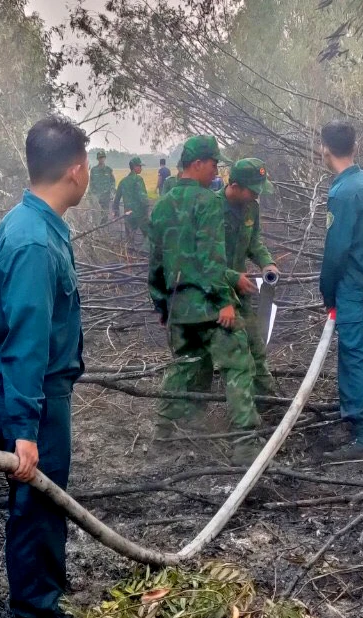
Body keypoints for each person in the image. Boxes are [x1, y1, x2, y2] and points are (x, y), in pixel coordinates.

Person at [0, 115, 88, 618]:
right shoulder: (35, 244)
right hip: (34, 394)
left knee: (45, 494)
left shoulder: (33, 225)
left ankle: (46, 584)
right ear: (74, 170)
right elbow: (25, 341)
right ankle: (35, 610)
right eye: (87, 164)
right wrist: (24, 428)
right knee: (36, 497)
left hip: (40, 392)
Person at [149, 135, 261, 465]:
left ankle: (165, 432)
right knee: (239, 366)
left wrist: (161, 305)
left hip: (179, 308)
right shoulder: (208, 202)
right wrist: (225, 300)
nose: (216, 170)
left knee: (184, 367)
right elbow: (211, 258)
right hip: (210, 306)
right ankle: (245, 446)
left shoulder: (162, 206)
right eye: (214, 164)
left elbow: (155, 262)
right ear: (197, 164)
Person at [318, 121, 363, 461]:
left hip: (354, 286)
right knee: (356, 352)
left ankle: (362, 434)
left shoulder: (342, 193)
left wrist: (327, 291)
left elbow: (336, 251)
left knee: (355, 355)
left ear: (325, 149)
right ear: (355, 148)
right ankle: (352, 413)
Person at [220, 158, 280, 400]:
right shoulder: (210, 209)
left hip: (239, 290)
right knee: (234, 352)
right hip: (214, 291)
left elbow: (254, 241)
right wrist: (231, 279)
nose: (256, 196)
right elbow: (202, 260)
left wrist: (267, 262)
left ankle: (267, 398)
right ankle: (240, 412)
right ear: (235, 186)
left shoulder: (251, 208)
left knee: (255, 342)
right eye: (253, 191)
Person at [112, 156, 150, 241]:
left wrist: (116, 211)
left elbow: (116, 199)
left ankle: (128, 253)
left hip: (128, 214)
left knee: (129, 240)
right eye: (140, 166)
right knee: (148, 236)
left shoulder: (123, 181)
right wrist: (147, 208)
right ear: (135, 167)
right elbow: (143, 197)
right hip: (140, 214)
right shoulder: (138, 179)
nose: (141, 168)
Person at [88, 150, 115, 222]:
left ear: (105, 158)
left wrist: (112, 192)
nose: (101, 159)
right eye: (100, 158)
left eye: (102, 157)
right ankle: (96, 230)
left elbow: (113, 182)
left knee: (105, 215)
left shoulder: (109, 170)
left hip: (106, 196)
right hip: (96, 196)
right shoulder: (94, 170)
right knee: (96, 215)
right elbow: (91, 183)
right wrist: (91, 194)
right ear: (97, 159)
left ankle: (103, 230)